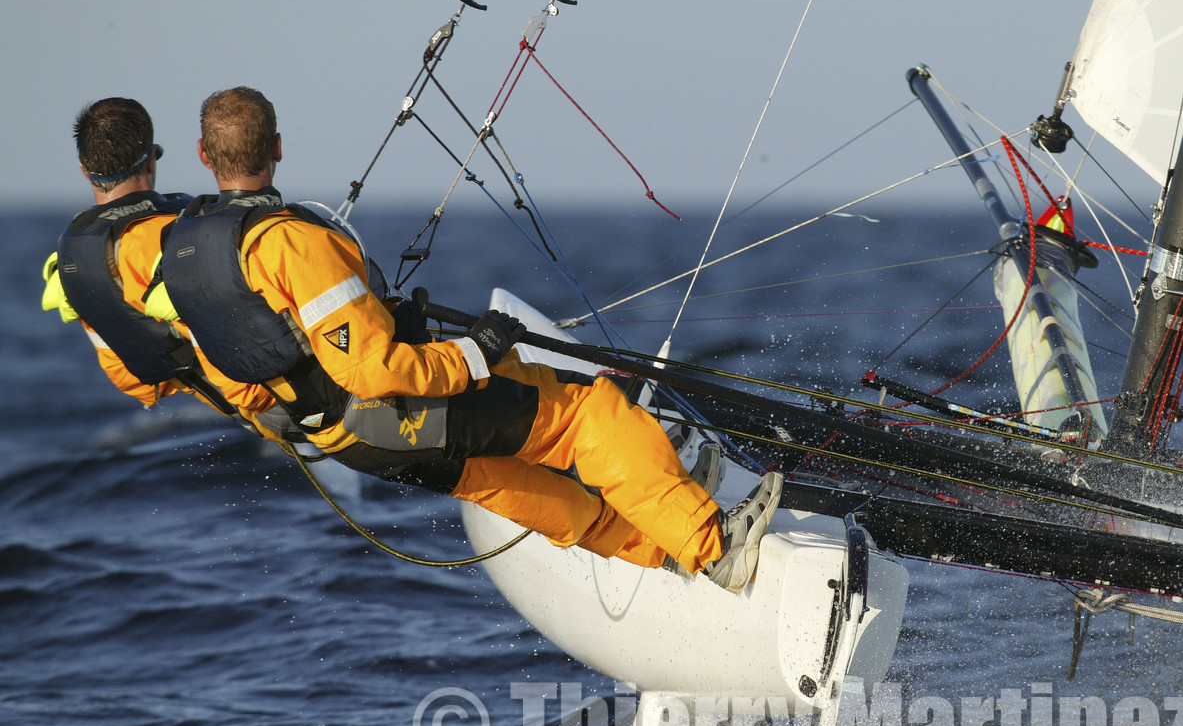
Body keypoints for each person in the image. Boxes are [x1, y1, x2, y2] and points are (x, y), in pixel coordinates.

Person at [158, 86, 779, 592]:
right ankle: (713, 546)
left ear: (203, 155)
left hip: (341, 439)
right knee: (588, 415)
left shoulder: (182, 252)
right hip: (386, 414)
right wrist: (473, 352)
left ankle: (666, 547)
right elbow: (373, 369)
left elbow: (236, 379)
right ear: (277, 148)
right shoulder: (295, 243)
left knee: (513, 479)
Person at [42, 97, 280, 428]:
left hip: (209, 394)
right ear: (151, 160)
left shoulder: (75, 255)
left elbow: (132, 378)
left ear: (84, 170)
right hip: (270, 395)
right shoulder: (171, 236)